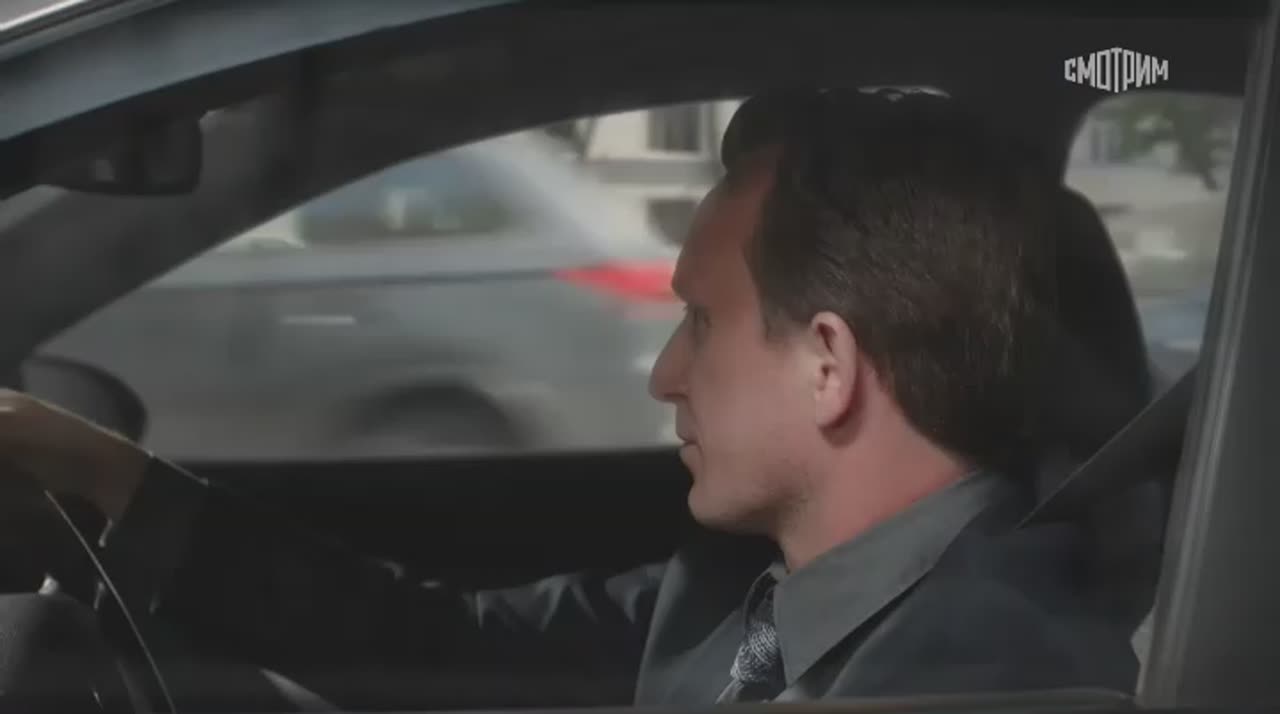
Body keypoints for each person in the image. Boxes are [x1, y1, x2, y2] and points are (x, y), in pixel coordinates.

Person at [0, 89, 1139, 709]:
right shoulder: (748, 592)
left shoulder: (990, 673)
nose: (664, 374)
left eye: (700, 324)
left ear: (827, 365)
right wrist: (110, 476)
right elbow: (436, 646)